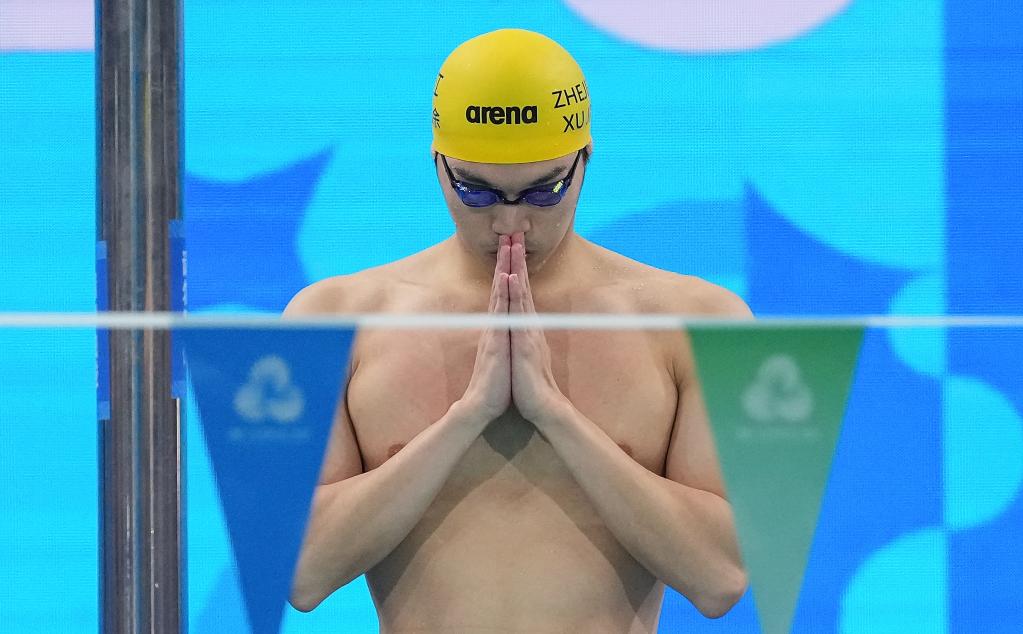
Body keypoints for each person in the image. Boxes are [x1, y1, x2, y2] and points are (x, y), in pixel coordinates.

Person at [286, 28, 750, 633]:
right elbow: (301, 574)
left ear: (585, 159)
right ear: (436, 162)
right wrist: (467, 415)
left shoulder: (693, 323)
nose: (511, 221)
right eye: (476, 191)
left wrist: (555, 414)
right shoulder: (336, 320)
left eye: (543, 190)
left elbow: (720, 578)